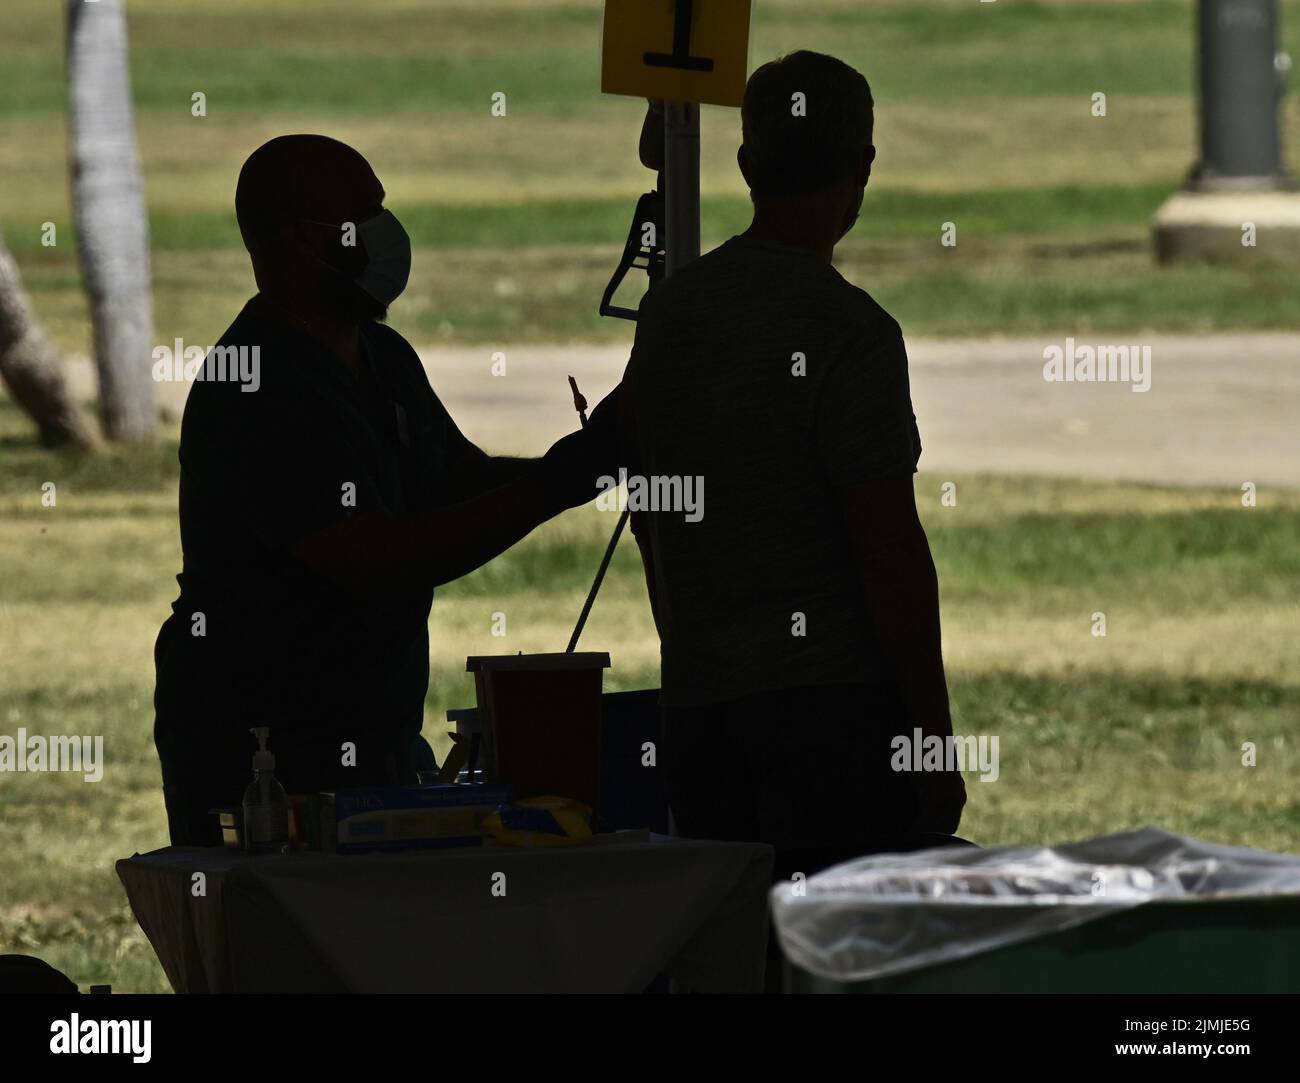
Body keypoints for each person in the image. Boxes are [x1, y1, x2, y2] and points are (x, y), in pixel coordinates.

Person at [153, 134, 615, 846]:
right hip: (263, 756)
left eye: (381, 210)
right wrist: (559, 482)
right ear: (289, 244)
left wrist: (589, 459)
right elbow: (376, 557)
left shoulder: (382, 356)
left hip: (375, 733)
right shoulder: (258, 388)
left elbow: (454, 480)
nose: (383, 236)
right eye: (356, 220)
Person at [619, 52, 967, 981]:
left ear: (744, 167)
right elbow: (888, 550)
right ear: (862, 168)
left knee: (737, 965)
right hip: (834, 721)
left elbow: (651, 509)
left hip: (701, 714)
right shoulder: (851, 332)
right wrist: (929, 734)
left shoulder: (672, 316)